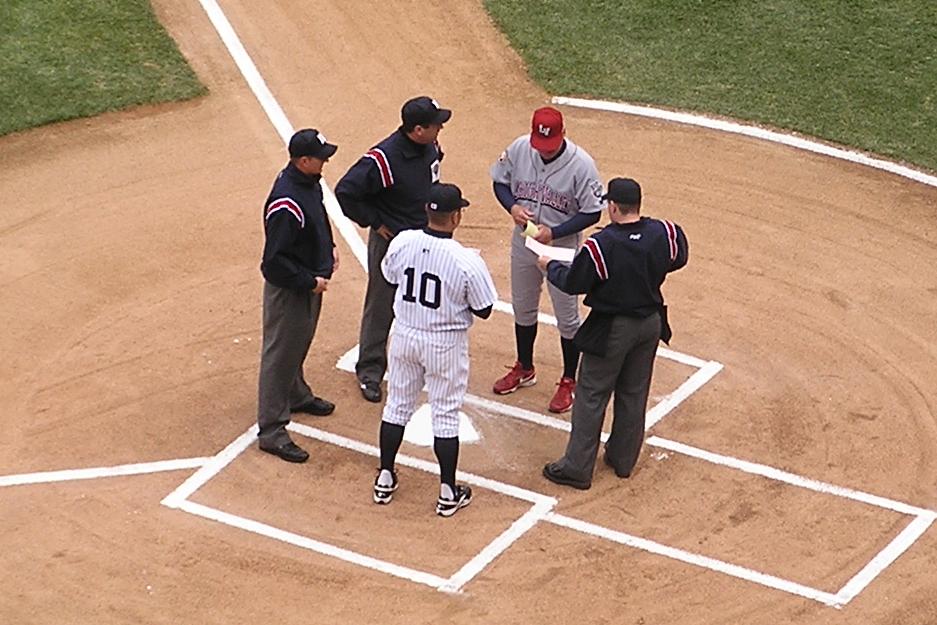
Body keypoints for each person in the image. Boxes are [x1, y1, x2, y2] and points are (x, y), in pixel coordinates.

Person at [537, 178, 688, 488]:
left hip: (612, 328)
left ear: (614, 207)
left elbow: (574, 282)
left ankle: (577, 468)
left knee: (591, 395)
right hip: (650, 323)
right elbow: (678, 258)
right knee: (634, 392)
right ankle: (622, 459)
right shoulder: (665, 232)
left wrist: (549, 267)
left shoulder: (601, 244)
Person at [372, 183, 498, 517]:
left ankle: (385, 477)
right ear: (456, 216)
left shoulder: (403, 241)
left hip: (404, 335)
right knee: (444, 413)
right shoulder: (466, 261)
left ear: (427, 212)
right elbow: (484, 308)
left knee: (397, 404)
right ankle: (447, 491)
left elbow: (388, 276)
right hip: (444, 343)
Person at [335, 96, 451, 403]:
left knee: (425, 299)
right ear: (417, 129)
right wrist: (374, 221)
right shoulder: (383, 159)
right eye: (435, 123)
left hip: (425, 239)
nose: (440, 126)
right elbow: (346, 191)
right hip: (394, 243)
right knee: (382, 302)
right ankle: (370, 370)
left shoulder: (429, 146)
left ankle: (420, 359)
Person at [490, 106, 604, 413]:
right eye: (540, 144)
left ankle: (570, 379)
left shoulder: (581, 165)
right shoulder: (519, 148)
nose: (544, 150)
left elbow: (593, 210)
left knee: (567, 317)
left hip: (562, 248)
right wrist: (512, 207)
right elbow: (500, 182)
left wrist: (555, 232)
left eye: (551, 144)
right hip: (524, 241)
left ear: (563, 134)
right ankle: (524, 367)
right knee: (523, 307)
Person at [256, 128, 340, 463]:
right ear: (303, 160)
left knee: (298, 342)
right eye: (321, 157)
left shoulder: (308, 182)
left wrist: (329, 247)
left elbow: (318, 218)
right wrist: (308, 282)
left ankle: (296, 393)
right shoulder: (286, 203)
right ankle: (272, 430)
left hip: (309, 278)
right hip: (291, 289)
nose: (326, 161)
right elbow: (273, 263)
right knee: (280, 354)